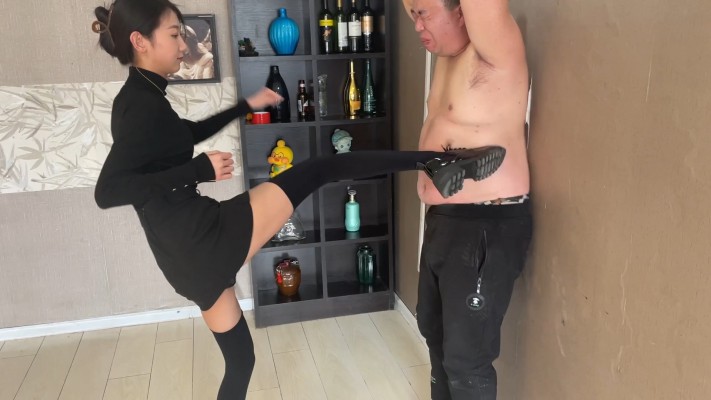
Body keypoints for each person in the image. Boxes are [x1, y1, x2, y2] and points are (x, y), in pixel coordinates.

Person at [91, 1, 506, 398]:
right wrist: (198, 171)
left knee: (241, 361)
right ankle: (433, 160)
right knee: (322, 168)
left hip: (183, 257)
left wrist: (245, 106)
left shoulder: (144, 98)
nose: (184, 45)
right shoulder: (139, 106)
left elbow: (187, 135)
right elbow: (109, 191)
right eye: (174, 35)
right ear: (140, 41)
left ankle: (433, 162)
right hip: (200, 238)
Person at [402, 0, 532, 399]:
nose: (417, 25)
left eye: (423, 13)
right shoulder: (446, 56)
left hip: (485, 225)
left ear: (460, 11)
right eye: (413, 15)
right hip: (444, 220)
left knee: (466, 360)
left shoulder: (494, 50)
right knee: (433, 332)